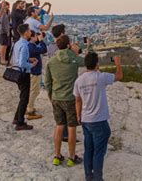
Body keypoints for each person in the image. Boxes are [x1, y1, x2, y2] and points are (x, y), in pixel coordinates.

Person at [74, 52, 122, 181]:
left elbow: (78, 100)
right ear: (97, 64)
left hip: (85, 119)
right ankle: (97, 179)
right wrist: (117, 63)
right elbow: (119, 76)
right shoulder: (101, 77)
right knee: (99, 153)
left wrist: (78, 115)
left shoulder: (79, 80)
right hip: (99, 120)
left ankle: (88, 177)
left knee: (88, 150)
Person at [45, 35, 84, 167]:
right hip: (70, 98)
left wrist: (51, 96)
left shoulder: (51, 61)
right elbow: (87, 62)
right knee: (72, 128)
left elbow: (47, 82)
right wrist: (76, 50)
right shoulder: (74, 59)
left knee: (59, 126)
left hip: (56, 97)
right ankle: (72, 157)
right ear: (68, 45)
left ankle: (57, 156)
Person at [11, 24, 37, 130]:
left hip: (17, 72)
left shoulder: (18, 43)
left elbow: (17, 58)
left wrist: (28, 59)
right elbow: (22, 63)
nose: (31, 32)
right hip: (23, 73)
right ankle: (20, 123)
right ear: (26, 32)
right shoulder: (25, 45)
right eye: (30, 31)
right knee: (24, 99)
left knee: (22, 97)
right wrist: (32, 65)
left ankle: (17, 118)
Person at [25, 31, 47, 120]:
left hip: (34, 71)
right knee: (34, 91)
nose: (37, 38)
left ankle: (29, 106)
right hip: (35, 72)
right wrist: (41, 40)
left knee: (34, 90)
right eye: (36, 36)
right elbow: (44, 50)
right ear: (32, 37)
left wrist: (40, 39)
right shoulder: (32, 47)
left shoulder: (30, 45)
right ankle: (30, 110)